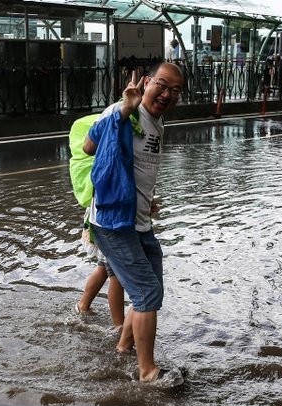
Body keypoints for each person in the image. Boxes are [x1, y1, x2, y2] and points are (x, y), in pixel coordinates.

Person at [83, 62, 184, 385]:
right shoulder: (124, 109)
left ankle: (125, 345)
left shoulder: (157, 123)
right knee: (146, 292)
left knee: (151, 290)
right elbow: (89, 146)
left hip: (139, 221)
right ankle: (147, 371)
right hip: (113, 222)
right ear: (147, 82)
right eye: (162, 85)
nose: (167, 94)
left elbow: (141, 168)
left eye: (175, 90)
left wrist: (146, 199)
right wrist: (123, 110)